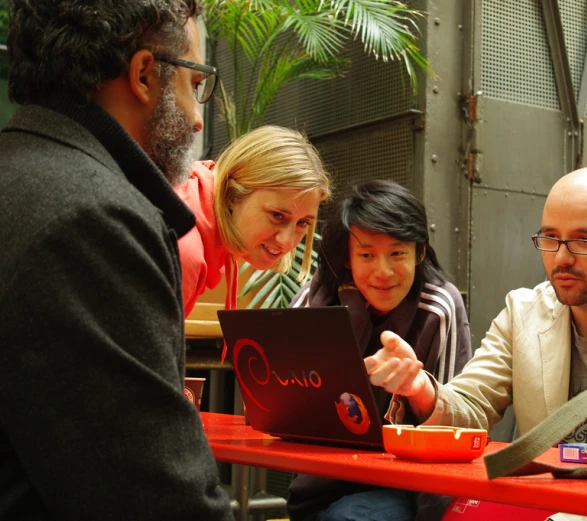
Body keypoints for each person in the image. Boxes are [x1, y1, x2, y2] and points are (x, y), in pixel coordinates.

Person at [365, 167, 587, 519]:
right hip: (543, 501)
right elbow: (472, 405)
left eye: (584, 241)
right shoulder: (522, 312)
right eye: (550, 237)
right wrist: (420, 389)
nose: (561, 258)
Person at [0, 1, 233, 519]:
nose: (198, 120)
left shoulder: (20, 174)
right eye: (195, 85)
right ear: (145, 74)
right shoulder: (92, 219)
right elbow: (159, 500)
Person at [286, 180, 473, 521]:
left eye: (397, 253)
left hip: (404, 487)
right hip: (319, 482)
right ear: (346, 258)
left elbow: (451, 431)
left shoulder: (440, 307)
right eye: (367, 254)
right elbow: (284, 401)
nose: (383, 272)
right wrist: (354, 319)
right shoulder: (317, 300)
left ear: (420, 252)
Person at [175, 125, 331, 318]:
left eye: (302, 223)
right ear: (232, 195)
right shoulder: (185, 248)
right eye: (277, 216)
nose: (287, 242)